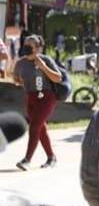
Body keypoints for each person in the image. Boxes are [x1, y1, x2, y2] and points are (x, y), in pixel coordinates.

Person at [13, 35, 62, 171]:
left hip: (46, 97)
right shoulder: (20, 63)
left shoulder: (45, 60)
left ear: (38, 48)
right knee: (40, 129)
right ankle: (51, 157)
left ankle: (27, 160)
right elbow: (16, 77)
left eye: (30, 45)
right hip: (30, 98)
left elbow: (58, 78)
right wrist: (19, 81)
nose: (27, 47)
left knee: (34, 126)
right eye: (26, 44)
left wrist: (44, 67)